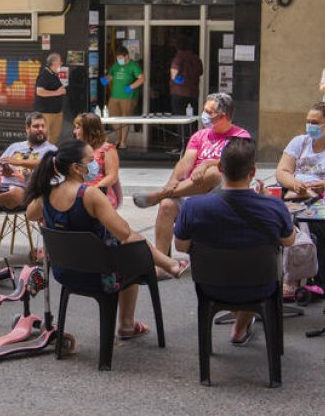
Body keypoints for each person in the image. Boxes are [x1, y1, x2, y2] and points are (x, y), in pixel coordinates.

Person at [25, 139, 187, 340]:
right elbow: (124, 233)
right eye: (91, 160)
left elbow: (31, 214)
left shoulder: (46, 194)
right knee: (132, 244)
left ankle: (169, 264)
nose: (94, 165)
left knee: (128, 243)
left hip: (65, 274)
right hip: (100, 277)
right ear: (77, 167)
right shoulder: (89, 194)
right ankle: (128, 322)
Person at [175, 138, 295, 344]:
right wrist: (269, 202)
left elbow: (181, 246)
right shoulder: (274, 206)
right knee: (253, 270)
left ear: (220, 168)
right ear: (253, 172)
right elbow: (288, 241)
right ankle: (240, 326)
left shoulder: (193, 207)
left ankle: (240, 325)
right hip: (260, 286)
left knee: (233, 271)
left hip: (211, 285)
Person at [132, 93, 251, 263]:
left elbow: (235, 163)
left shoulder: (240, 136)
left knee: (216, 172)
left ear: (223, 115)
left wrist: (207, 164)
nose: (204, 115)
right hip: (191, 189)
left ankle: (159, 195)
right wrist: (173, 180)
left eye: (208, 111)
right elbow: (186, 161)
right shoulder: (199, 136)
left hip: (220, 194)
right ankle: (164, 263)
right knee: (166, 206)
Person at [274, 101, 325, 298]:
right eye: (308, 121)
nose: (309, 125)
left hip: (322, 198)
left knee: (306, 220)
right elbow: (282, 171)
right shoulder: (299, 142)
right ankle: (283, 274)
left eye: (315, 122)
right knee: (278, 216)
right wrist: (294, 184)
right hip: (295, 193)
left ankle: (294, 278)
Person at [0, 112, 58, 212]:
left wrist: (18, 162)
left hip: (25, 194)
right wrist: (3, 170)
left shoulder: (51, 149)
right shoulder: (15, 146)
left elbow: (46, 164)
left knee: (14, 192)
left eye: (43, 126)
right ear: (27, 129)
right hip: (2, 189)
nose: (40, 129)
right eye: (36, 126)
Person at [73, 111, 122, 208]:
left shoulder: (107, 149)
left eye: (78, 128)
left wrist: (93, 190)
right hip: (79, 192)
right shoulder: (77, 149)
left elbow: (112, 176)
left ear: (89, 130)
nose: (75, 131)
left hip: (101, 193)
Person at [104, 47, 144, 148]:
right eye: (117, 57)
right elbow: (110, 76)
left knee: (124, 118)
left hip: (128, 97)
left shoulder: (133, 65)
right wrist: (105, 79)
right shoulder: (116, 65)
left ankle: (123, 142)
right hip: (114, 96)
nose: (119, 59)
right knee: (112, 118)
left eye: (121, 57)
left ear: (126, 56)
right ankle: (118, 138)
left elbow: (142, 79)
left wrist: (131, 87)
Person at [34, 53, 67, 144]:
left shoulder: (53, 74)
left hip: (56, 112)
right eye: (60, 62)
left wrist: (61, 90)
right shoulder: (44, 74)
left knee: (54, 136)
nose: (61, 64)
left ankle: (50, 155)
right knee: (45, 136)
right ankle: (43, 156)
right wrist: (58, 92)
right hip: (46, 112)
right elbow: (40, 91)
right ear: (54, 63)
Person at [169, 38, 203, 115]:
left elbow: (174, 75)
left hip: (179, 93)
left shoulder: (178, 58)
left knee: (179, 118)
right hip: (193, 93)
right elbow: (200, 72)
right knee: (192, 118)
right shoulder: (196, 59)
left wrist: (181, 81)